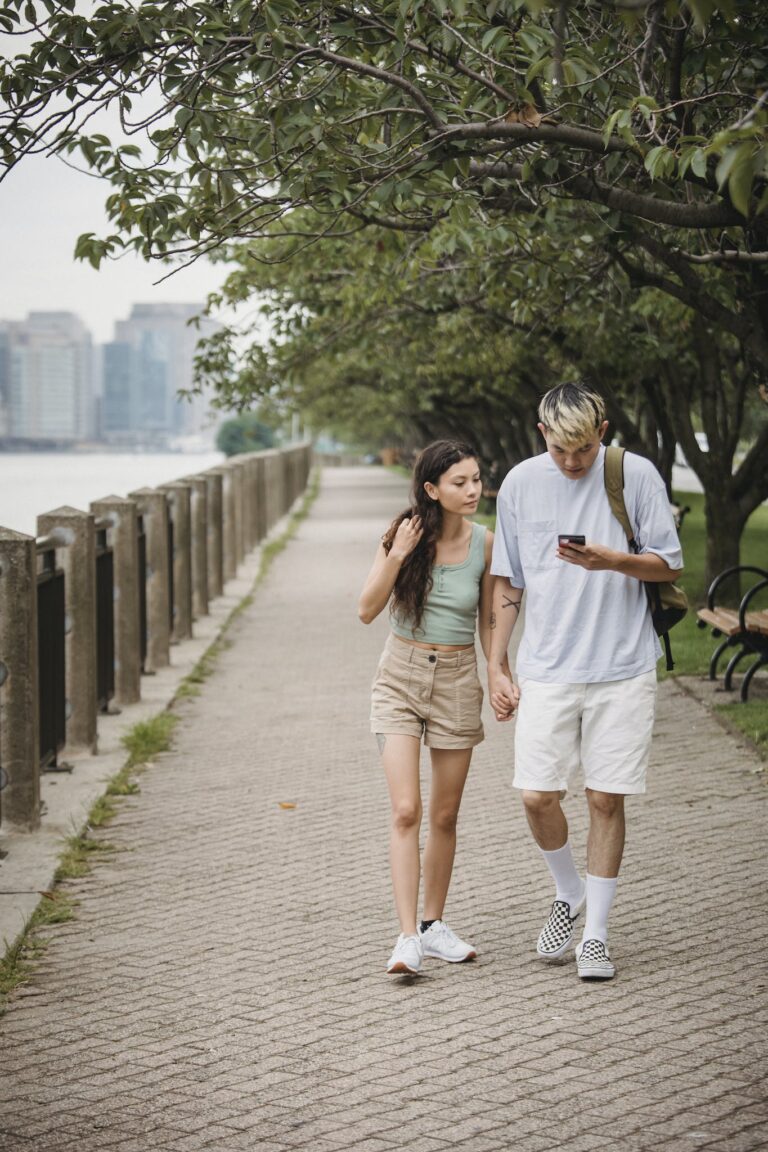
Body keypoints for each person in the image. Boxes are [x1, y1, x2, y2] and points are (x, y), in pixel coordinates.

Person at [488, 382, 683, 980]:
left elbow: (670, 562)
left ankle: (596, 933)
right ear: (540, 432)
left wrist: (613, 560)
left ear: (603, 430)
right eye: (560, 450)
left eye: (583, 449)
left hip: (622, 665)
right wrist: (496, 663)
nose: (572, 463)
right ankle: (567, 891)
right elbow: (509, 582)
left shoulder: (635, 474)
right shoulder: (520, 483)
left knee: (605, 796)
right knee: (537, 794)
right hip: (546, 667)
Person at [359, 440, 503, 975]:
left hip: (458, 680)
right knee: (406, 810)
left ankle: (433, 925)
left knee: (444, 814)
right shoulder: (402, 534)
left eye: (476, 479)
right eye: (460, 482)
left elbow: (491, 618)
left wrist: (499, 672)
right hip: (400, 676)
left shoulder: (487, 542)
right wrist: (397, 554)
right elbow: (366, 610)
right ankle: (405, 938)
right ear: (431, 489)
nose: (473, 490)